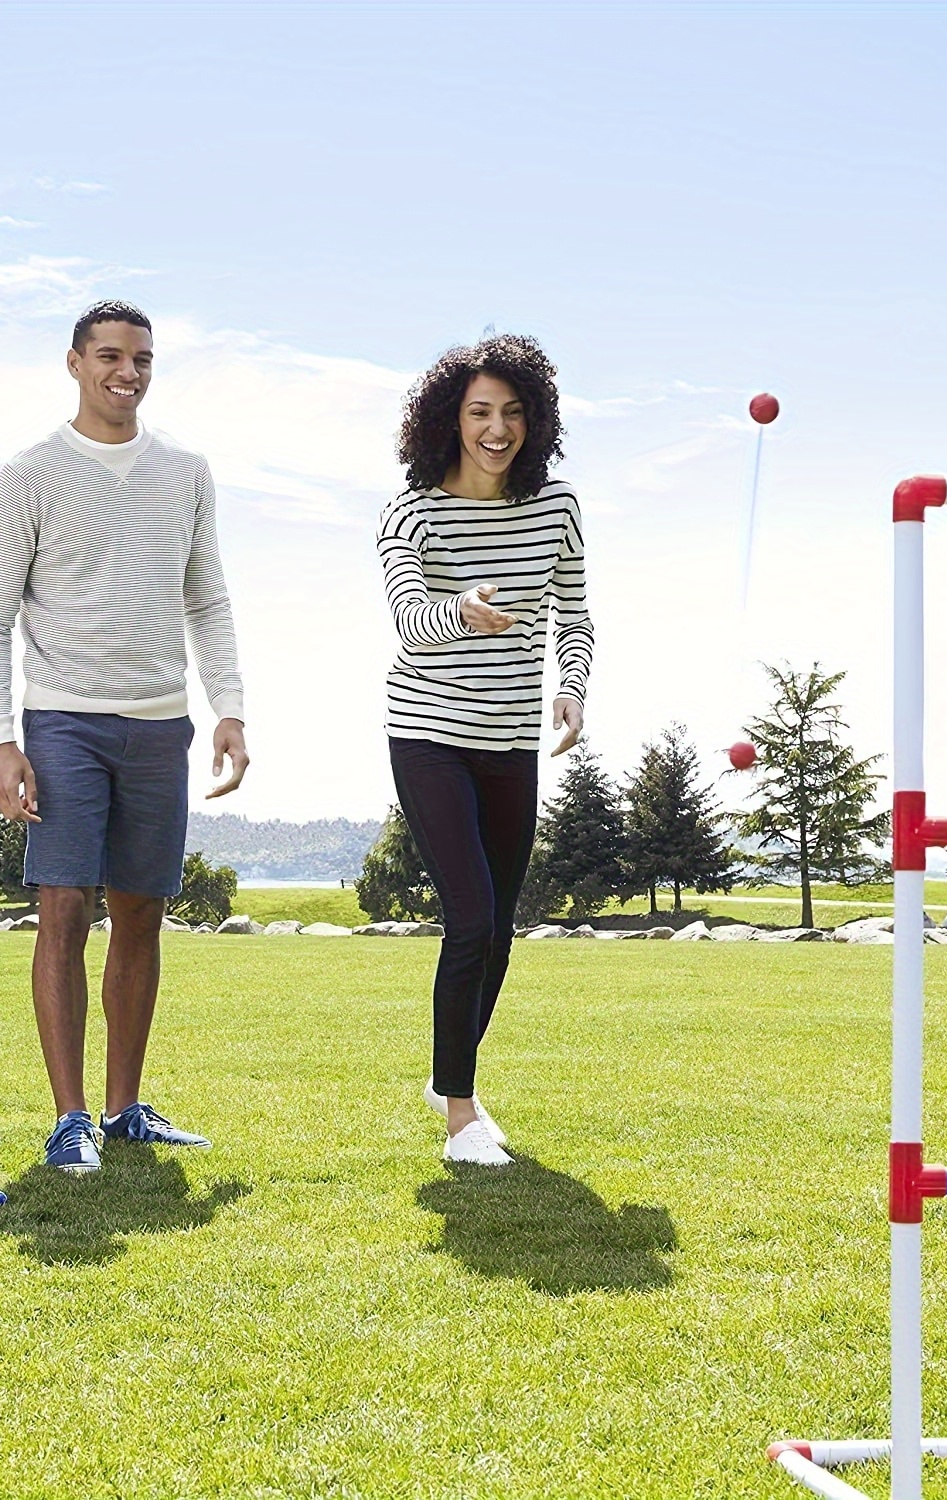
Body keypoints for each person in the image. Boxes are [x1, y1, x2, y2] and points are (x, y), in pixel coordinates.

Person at [0, 299, 249, 1173]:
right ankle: (71, 1119)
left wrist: (230, 706)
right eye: (111, 357)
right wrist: (1, 739)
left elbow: (207, 598)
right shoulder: (29, 474)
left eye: (143, 359)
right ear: (75, 363)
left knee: (141, 914)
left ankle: (125, 1109)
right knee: (61, 909)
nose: (128, 373)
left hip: (161, 723)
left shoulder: (187, 472)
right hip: (61, 721)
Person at [378, 333, 593, 1167]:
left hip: (511, 741)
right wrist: (460, 609)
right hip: (429, 732)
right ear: (449, 420)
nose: (496, 429)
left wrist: (571, 688)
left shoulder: (557, 509)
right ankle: (460, 1116)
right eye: (479, 413)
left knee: (500, 928)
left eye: (511, 412)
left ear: (533, 421)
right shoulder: (413, 512)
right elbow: (408, 620)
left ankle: (447, 1074)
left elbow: (572, 617)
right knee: (467, 916)